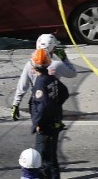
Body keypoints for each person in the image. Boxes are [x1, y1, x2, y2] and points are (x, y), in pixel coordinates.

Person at [11, 34, 76, 121]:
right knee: (52, 128)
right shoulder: (57, 64)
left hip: (36, 102)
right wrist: (64, 59)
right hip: (53, 101)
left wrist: (16, 104)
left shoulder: (29, 64)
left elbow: (22, 85)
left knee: (39, 126)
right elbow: (72, 73)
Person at [29, 48, 69, 179]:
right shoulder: (52, 78)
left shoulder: (40, 82)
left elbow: (43, 105)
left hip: (46, 127)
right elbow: (64, 92)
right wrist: (56, 105)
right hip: (55, 122)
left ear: (34, 66)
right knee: (52, 157)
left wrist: (38, 123)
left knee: (42, 159)